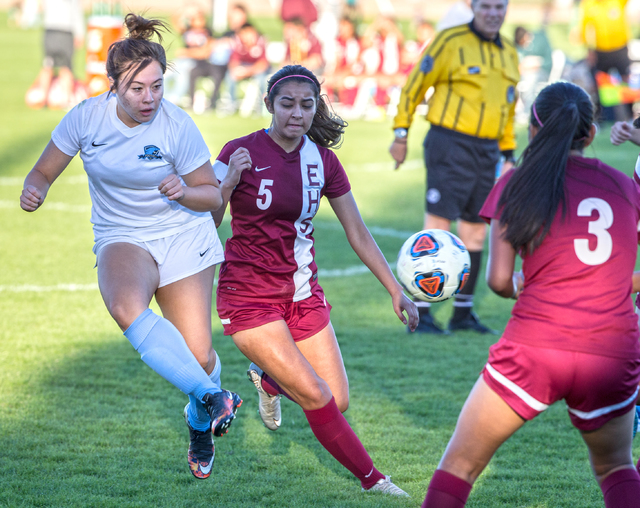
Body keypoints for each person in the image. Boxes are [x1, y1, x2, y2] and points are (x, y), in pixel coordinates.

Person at [19, 13, 242, 481]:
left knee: (199, 357)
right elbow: (43, 170)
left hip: (182, 232)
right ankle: (213, 397)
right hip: (122, 234)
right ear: (113, 84)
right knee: (125, 306)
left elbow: (210, 194)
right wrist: (34, 189)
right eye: (138, 88)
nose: (149, 98)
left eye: (157, 87)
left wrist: (183, 189)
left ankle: (200, 419)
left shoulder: (176, 126)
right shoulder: (86, 117)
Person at [421, 81, 640, 508]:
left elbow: (500, 281)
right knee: (616, 467)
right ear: (590, 133)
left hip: (537, 344)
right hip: (612, 348)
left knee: (460, 467)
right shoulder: (623, 187)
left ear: (532, 128)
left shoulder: (516, 183)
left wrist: (534, 283)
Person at [211, 64, 419, 496]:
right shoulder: (239, 150)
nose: (297, 114)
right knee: (318, 398)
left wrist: (395, 289)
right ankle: (374, 481)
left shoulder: (322, 160)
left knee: (336, 401)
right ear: (269, 104)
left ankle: (268, 379)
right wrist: (228, 183)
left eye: (307, 105)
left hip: (303, 294)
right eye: (287, 104)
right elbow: (205, 222)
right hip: (248, 298)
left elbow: (357, 232)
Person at [389, 0, 519, 334]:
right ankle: (423, 313)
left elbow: (507, 107)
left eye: (499, 6)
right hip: (449, 143)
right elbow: (415, 85)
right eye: (486, 6)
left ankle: (462, 314)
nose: (493, 12)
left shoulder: (508, 51)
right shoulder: (450, 41)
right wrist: (400, 133)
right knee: (437, 226)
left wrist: (508, 153)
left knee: (476, 230)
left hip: (488, 150)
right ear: (474, 7)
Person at [25, 0, 85, 109]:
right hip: (65, 31)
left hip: (50, 31)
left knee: (48, 65)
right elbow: (76, 11)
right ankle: (66, 101)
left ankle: (43, 98)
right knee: (65, 67)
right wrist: (80, 32)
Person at [226, 22, 270, 117]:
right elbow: (233, 61)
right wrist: (237, 70)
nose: (246, 37)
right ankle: (231, 105)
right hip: (244, 67)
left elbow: (263, 64)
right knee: (230, 76)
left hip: (257, 69)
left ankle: (262, 106)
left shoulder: (260, 42)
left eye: (249, 34)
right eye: (244, 34)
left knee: (261, 79)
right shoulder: (237, 43)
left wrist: (247, 72)